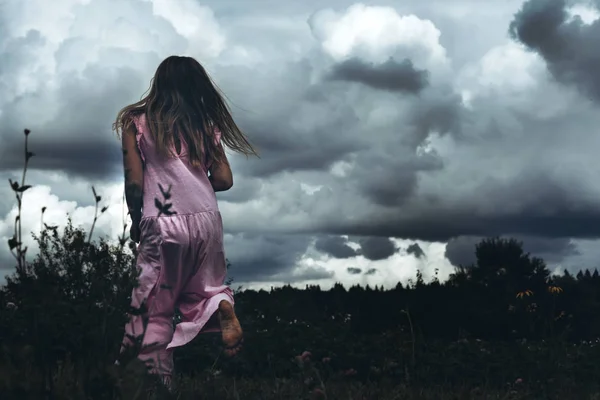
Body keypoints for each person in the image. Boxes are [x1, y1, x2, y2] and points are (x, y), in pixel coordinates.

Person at [112, 55, 258, 388]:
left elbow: (134, 184)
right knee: (204, 287)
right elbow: (223, 180)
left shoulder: (136, 123)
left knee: (154, 311)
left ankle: (154, 388)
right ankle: (220, 303)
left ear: (158, 84)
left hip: (163, 223)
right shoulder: (206, 125)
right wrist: (195, 174)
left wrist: (137, 222)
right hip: (207, 220)